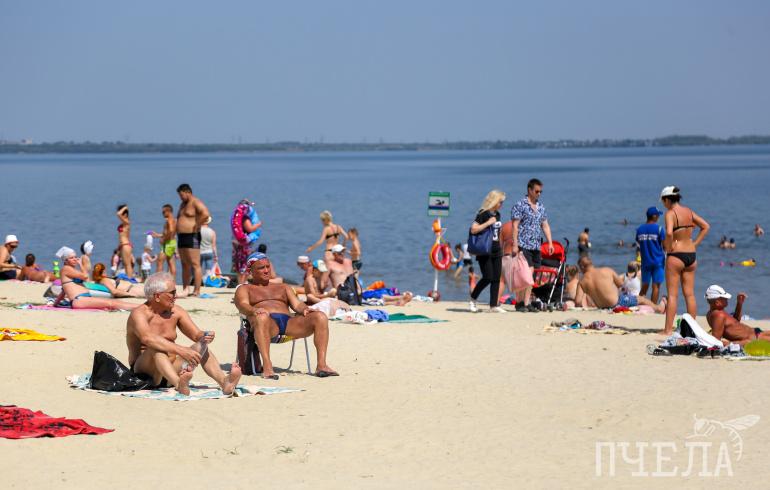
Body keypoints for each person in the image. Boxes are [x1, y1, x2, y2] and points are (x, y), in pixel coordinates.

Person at [127, 272, 241, 395]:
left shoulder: (176, 312)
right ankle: (178, 384)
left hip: (170, 370)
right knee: (156, 347)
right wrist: (181, 350)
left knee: (201, 345)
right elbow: (148, 339)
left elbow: (196, 335)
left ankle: (224, 382)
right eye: (172, 293)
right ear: (157, 296)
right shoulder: (139, 314)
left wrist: (205, 335)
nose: (176, 297)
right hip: (145, 373)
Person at [234, 253, 338, 379]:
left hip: (289, 323)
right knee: (261, 317)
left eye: (268, 266)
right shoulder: (245, 289)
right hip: (266, 324)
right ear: (251, 271)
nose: (266, 270)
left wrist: (304, 309)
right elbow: (242, 305)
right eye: (261, 268)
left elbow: (297, 304)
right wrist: (254, 310)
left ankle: (322, 365)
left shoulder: (283, 287)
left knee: (320, 316)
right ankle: (267, 366)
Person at [660, 186, 710, 335]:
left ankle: (668, 330)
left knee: (673, 295)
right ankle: (692, 329)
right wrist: (695, 243)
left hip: (676, 255)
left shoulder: (670, 213)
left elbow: (669, 232)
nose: (664, 204)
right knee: (689, 294)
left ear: (667, 199)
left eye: (663, 201)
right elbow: (706, 226)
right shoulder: (688, 211)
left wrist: (668, 247)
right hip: (691, 255)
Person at [511, 179, 554, 311]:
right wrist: (515, 244)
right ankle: (525, 303)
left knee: (532, 275)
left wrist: (550, 242)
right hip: (524, 244)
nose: (539, 194)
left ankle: (521, 302)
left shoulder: (541, 207)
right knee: (526, 274)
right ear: (529, 190)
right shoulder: (520, 205)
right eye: (536, 191)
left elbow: (545, 225)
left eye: (541, 191)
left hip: (536, 245)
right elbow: (515, 226)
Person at [54, 247, 139, 310]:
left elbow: (64, 291)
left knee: (112, 303)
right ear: (65, 260)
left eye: (75, 257)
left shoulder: (70, 271)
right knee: (112, 303)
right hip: (79, 299)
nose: (75, 259)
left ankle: (140, 307)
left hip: (83, 298)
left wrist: (56, 304)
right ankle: (140, 308)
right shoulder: (66, 269)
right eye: (71, 258)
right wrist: (80, 264)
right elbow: (85, 276)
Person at [575, 256, 665, 312]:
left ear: (582, 267)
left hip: (602, 307)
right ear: (591, 263)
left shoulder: (582, 282)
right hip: (617, 303)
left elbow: (578, 302)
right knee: (641, 299)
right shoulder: (607, 270)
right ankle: (658, 309)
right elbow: (622, 286)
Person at [468, 189, 506, 313]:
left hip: (497, 250)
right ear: (494, 201)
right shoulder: (483, 214)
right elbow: (473, 229)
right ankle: (473, 300)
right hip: (485, 250)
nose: (502, 204)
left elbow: (497, 233)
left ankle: (494, 305)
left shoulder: (498, 214)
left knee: (496, 278)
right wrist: (488, 223)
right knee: (488, 277)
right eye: (500, 201)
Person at [176, 184, 210, 296]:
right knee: (184, 264)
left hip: (192, 235)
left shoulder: (195, 202)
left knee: (195, 264)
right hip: (181, 237)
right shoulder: (182, 204)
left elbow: (206, 214)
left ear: (188, 192)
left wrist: (198, 224)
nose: (180, 197)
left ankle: (197, 290)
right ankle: (186, 289)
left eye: (181, 195)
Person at [635, 207, 666, 304]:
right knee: (656, 286)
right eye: (657, 215)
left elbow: (638, 245)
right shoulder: (660, 229)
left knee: (644, 286)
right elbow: (665, 246)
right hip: (658, 262)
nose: (658, 217)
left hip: (645, 262)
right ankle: (653, 307)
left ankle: (638, 304)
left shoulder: (639, 230)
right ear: (654, 216)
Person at [231, 199, 262, 284]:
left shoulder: (237, 218)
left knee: (238, 265)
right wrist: (259, 224)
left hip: (237, 244)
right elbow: (250, 228)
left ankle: (240, 284)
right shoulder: (245, 219)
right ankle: (242, 283)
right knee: (244, 265)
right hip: (243, 245)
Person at [152, 204, 177, 277]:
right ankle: (173, 282)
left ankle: (157, 280)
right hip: (172, 242)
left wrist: (164, 239)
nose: (162, 214)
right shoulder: (174, 220)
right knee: (170, 262)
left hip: (168, 243)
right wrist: (158, 235)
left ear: (169, 211)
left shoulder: (170, 220)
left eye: (163, 212)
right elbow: (169, 232)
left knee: (160, 261)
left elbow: (171, 231)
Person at [116, 205, 134, 278]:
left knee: (127, 264)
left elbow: (118, 214)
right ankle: (128, 277)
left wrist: (125, 207)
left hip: (126, 245)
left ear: (125, 214)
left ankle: (130, 279)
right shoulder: (123, 223)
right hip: (123, 245)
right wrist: (119, 247)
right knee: (125, 263)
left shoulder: (127, 222)